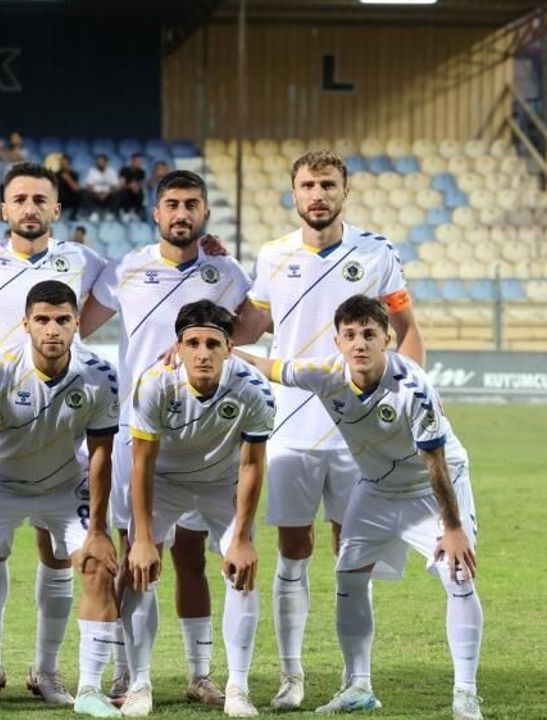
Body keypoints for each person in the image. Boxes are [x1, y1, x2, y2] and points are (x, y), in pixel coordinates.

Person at [229, 149, 423, 711]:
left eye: (328, 185)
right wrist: (204, 320)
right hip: (290, 426)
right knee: (293, 549)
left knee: (352, 551)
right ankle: (291, 678)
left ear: (345, 191)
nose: (318, 195)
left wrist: (409, 397)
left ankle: (357, 680)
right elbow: (249, 326)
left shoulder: (377, 252)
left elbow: (407, 329)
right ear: (294, 193)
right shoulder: (273, 255)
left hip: (357, 434)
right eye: (309, 185)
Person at [233, 295, 481, 720]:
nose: (359, 343)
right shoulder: (327, 374)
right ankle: (359, 686)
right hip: (377, 488)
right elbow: (268, 367)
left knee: (457, 575)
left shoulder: (413, 387)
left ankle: (466, 694)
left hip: (432, 490)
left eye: (369, 334)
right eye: (349, 335)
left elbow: (436, 464)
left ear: (387, 339)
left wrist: (453, 528)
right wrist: (223, 348)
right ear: (338, 342)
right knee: (348, 575)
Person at [79, 170, 250, 705]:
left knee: (193, 557)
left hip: (207, 435)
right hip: (139, 431)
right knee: (137, 552)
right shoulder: (125, 269)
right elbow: (79, 325)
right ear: (155, 213)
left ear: (205, 213)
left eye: (191, 204)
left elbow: (248, 329)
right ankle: (127, 674)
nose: (181, 213)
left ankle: (200, 675)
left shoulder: (227, 273)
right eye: (172, 204)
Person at [0, 163, 106, 708]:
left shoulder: (85, 261)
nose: (29, 208)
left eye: (40, 199)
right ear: (3, 209)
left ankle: (47, 672)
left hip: (60, 426)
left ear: (56, 209)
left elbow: (116, 297)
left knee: (58, 555)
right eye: (19, 199)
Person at [0, 280, 121, 719]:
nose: (52, 329)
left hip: (64, 485)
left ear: (77, 323)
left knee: (98, 565)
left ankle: (81, 685)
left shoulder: (99, 375)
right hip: (2, 484)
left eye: (62, 320)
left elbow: (101, 457)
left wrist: (99, 530)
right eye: (42, 320)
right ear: (26, 324)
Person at [121, 300, 273, 718]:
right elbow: (141, 463)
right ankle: (139, 684)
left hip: (221, 484)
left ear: (229, 348)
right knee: (139, 570)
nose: (202, 353)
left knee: (242, 572)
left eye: (212, 344)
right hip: (165, 483)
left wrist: (242, 539)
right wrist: (144, 539)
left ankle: (238, 687)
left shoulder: (254, 389)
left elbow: (252, 464)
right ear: (179, 347)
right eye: (193, 344)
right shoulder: (154, 384)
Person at [82, 155, 119, 221]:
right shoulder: (92, 171)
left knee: (119, 192)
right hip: (96, 194)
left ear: (106, 162)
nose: (100, 163)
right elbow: (89, 186)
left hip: (108, 195)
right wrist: (98, 194)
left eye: (102, 162)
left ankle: (110, 213)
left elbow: (114, 186)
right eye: (98, 162)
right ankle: (94, 213)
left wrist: (107, 194)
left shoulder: (112, 171)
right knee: (85, 193)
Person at [118, 154, 147, 220]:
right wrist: (130, 186)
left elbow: (141, 183)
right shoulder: (124, 170)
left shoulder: (141, 172)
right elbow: (121, 184)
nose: (140, 163)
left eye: (141, 161)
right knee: (124, 193)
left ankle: (136, 212)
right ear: (133, 161)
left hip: (135, 190)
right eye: (138, 161)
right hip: (126, 189)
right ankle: (125, 212)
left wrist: (136, 187)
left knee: (140, 192)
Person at [56, 155, 81, 220]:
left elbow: (76, 189)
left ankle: (73, 215)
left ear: (69, 164)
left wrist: (68, 179)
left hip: (71, 199)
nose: (64, 165)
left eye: (66, 163)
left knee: (79, 195)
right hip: (59, 198)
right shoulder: (56, 174)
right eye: (62, 163)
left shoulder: (74, 174)